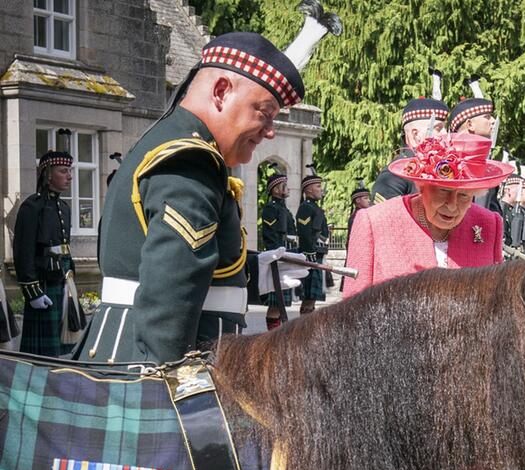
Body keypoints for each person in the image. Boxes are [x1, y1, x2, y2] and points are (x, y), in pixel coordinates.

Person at [342, 132, 513, 470]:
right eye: (442, 192)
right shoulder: (374, 223)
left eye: (465, 196)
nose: (453, 207)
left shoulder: (489, 227)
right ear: (418, 179)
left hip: (466, 400)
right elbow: (351, 322)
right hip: (397, 399)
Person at [75, 20, 333, 364]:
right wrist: (168, 389)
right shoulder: (192, 159)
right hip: (159, 361)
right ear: (222, 91)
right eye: (264, 113)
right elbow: (171, 293)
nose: (270, 132)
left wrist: (259, 271)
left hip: (142, 348)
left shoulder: (182, 147)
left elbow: (193, 267)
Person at [13, 150, 80, 356]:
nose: (69, 176)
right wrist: (32, 292)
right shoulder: (31, 207)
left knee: (63, 350)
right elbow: (23, 252)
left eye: (70, 170)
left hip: (62, 281)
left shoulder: (64, 207)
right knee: (42, 355)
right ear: (48, 174)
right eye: (63, 171)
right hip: (42, 285)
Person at [371, 71, 449, 204]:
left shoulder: (443, 168)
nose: (445, 134)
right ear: (415, 134)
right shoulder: (394, 175)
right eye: (438, 128)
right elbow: (385, 221)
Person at [449, 77, 503, 217]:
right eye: (487, 117)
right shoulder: (450, 160)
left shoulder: (485, 161)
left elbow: (491, 205)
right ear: (470, 124)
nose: (492, 121)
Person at [260, 171, 296, 330]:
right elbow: (270, 235)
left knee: (282, 304)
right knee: (276, 306)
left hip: (286, 255)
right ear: (275, 189)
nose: (287, 188)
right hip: (277, 258)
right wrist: (277, 255)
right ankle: (272, 336)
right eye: (284, 185)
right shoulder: (270, 208)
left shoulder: (285, 210)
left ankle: (278, 335)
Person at [295, 170, 329, 314]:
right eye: (318, 186)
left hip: (318, 254)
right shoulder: (305, 208)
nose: (321, 189)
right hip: (310, 256)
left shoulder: (315, 207)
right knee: (308, 297)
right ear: (308, 190)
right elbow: (304, 233)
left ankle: (307, 328)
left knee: (313, 298)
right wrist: (309, 253)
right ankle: (303, 329)